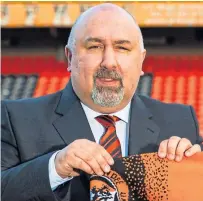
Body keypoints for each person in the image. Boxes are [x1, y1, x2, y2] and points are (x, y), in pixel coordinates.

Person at [1, 3, 202, 201]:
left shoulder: (181, 122)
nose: (109, 62)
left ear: (141, 61)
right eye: (95, 46)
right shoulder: (16, 119)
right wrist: (55, 167)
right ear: (70, 58)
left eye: (122, 47)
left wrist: (194, 172)